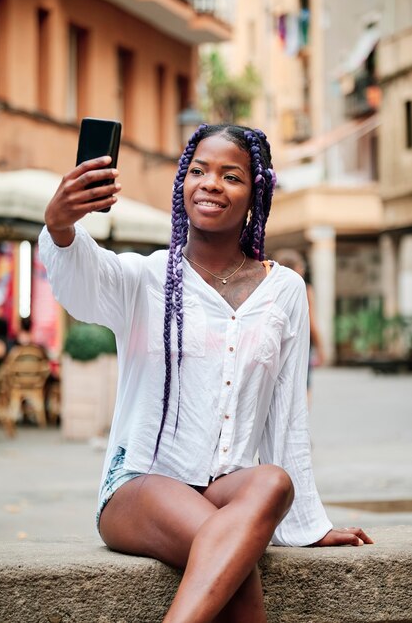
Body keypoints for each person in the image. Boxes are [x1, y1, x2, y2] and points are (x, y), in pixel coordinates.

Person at [39, 124, 373, 623]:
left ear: (255, 193)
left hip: (226, 491)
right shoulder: (148, 278)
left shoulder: (284, 290)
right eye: (198, 171)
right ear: (183, 183)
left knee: (274, 483)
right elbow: (83, 278)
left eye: (230, 175)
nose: (210, 183)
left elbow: (286, 417)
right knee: (237, 573)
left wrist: (308, 525)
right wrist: (61, 224)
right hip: (142, 486)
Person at [273, 249, 325, 404]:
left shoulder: (270, 287)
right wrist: (321, 349)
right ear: (295, 269)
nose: (303, 271)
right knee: (302, 387)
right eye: (301, 267)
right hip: (299, 343)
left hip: (275, 342)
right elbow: (311, 321)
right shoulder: (302, 288)